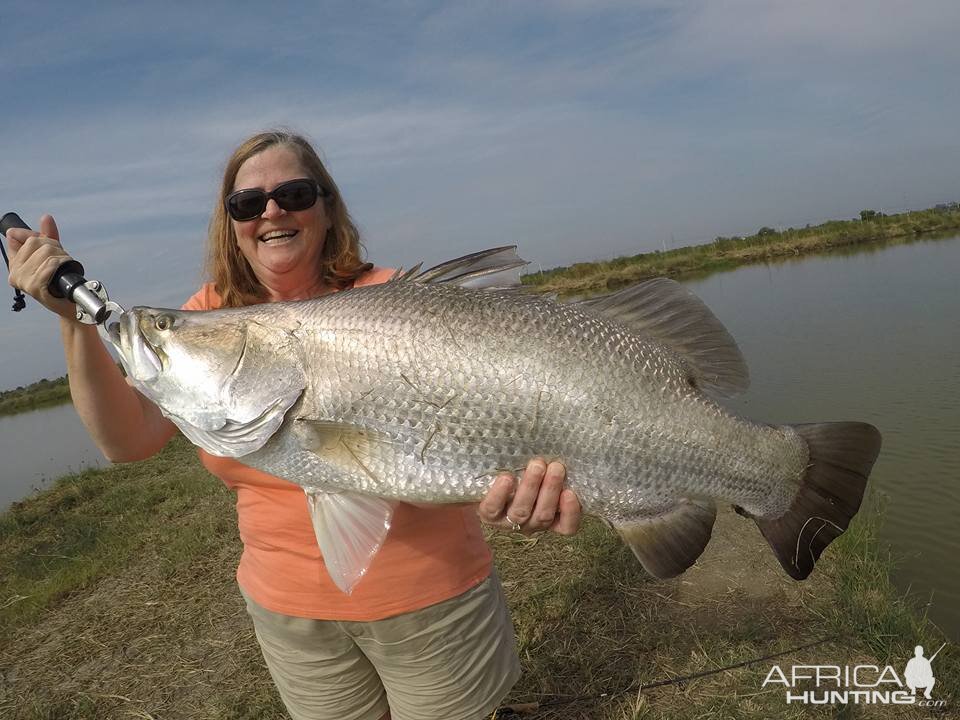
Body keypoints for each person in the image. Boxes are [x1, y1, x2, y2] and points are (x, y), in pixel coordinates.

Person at [6, 130, 583, 720]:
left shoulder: (395, 301)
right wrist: (76, 321)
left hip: (433, 602)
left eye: (294, 193)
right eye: (247, 203)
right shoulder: (208, 314)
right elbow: (127, 442)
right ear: (231, 223)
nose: (272, 211)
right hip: (289, 615)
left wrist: (530, 495)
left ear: (327, 206)